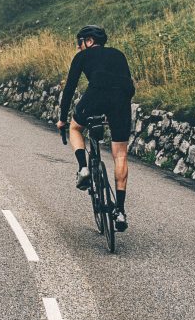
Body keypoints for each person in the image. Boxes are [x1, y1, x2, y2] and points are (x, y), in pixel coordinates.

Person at [56, 24, 135, 231]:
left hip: (97, 94)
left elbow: (70, 88)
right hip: (122, 98)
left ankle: (83, 168)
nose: (79, 47)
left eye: (79, 43)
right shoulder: (118, 54)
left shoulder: (82, 57)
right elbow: (128, 82)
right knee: (120, 155)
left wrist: (62, 119)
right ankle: (119, 210)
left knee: (75, 128)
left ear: (89, 41)